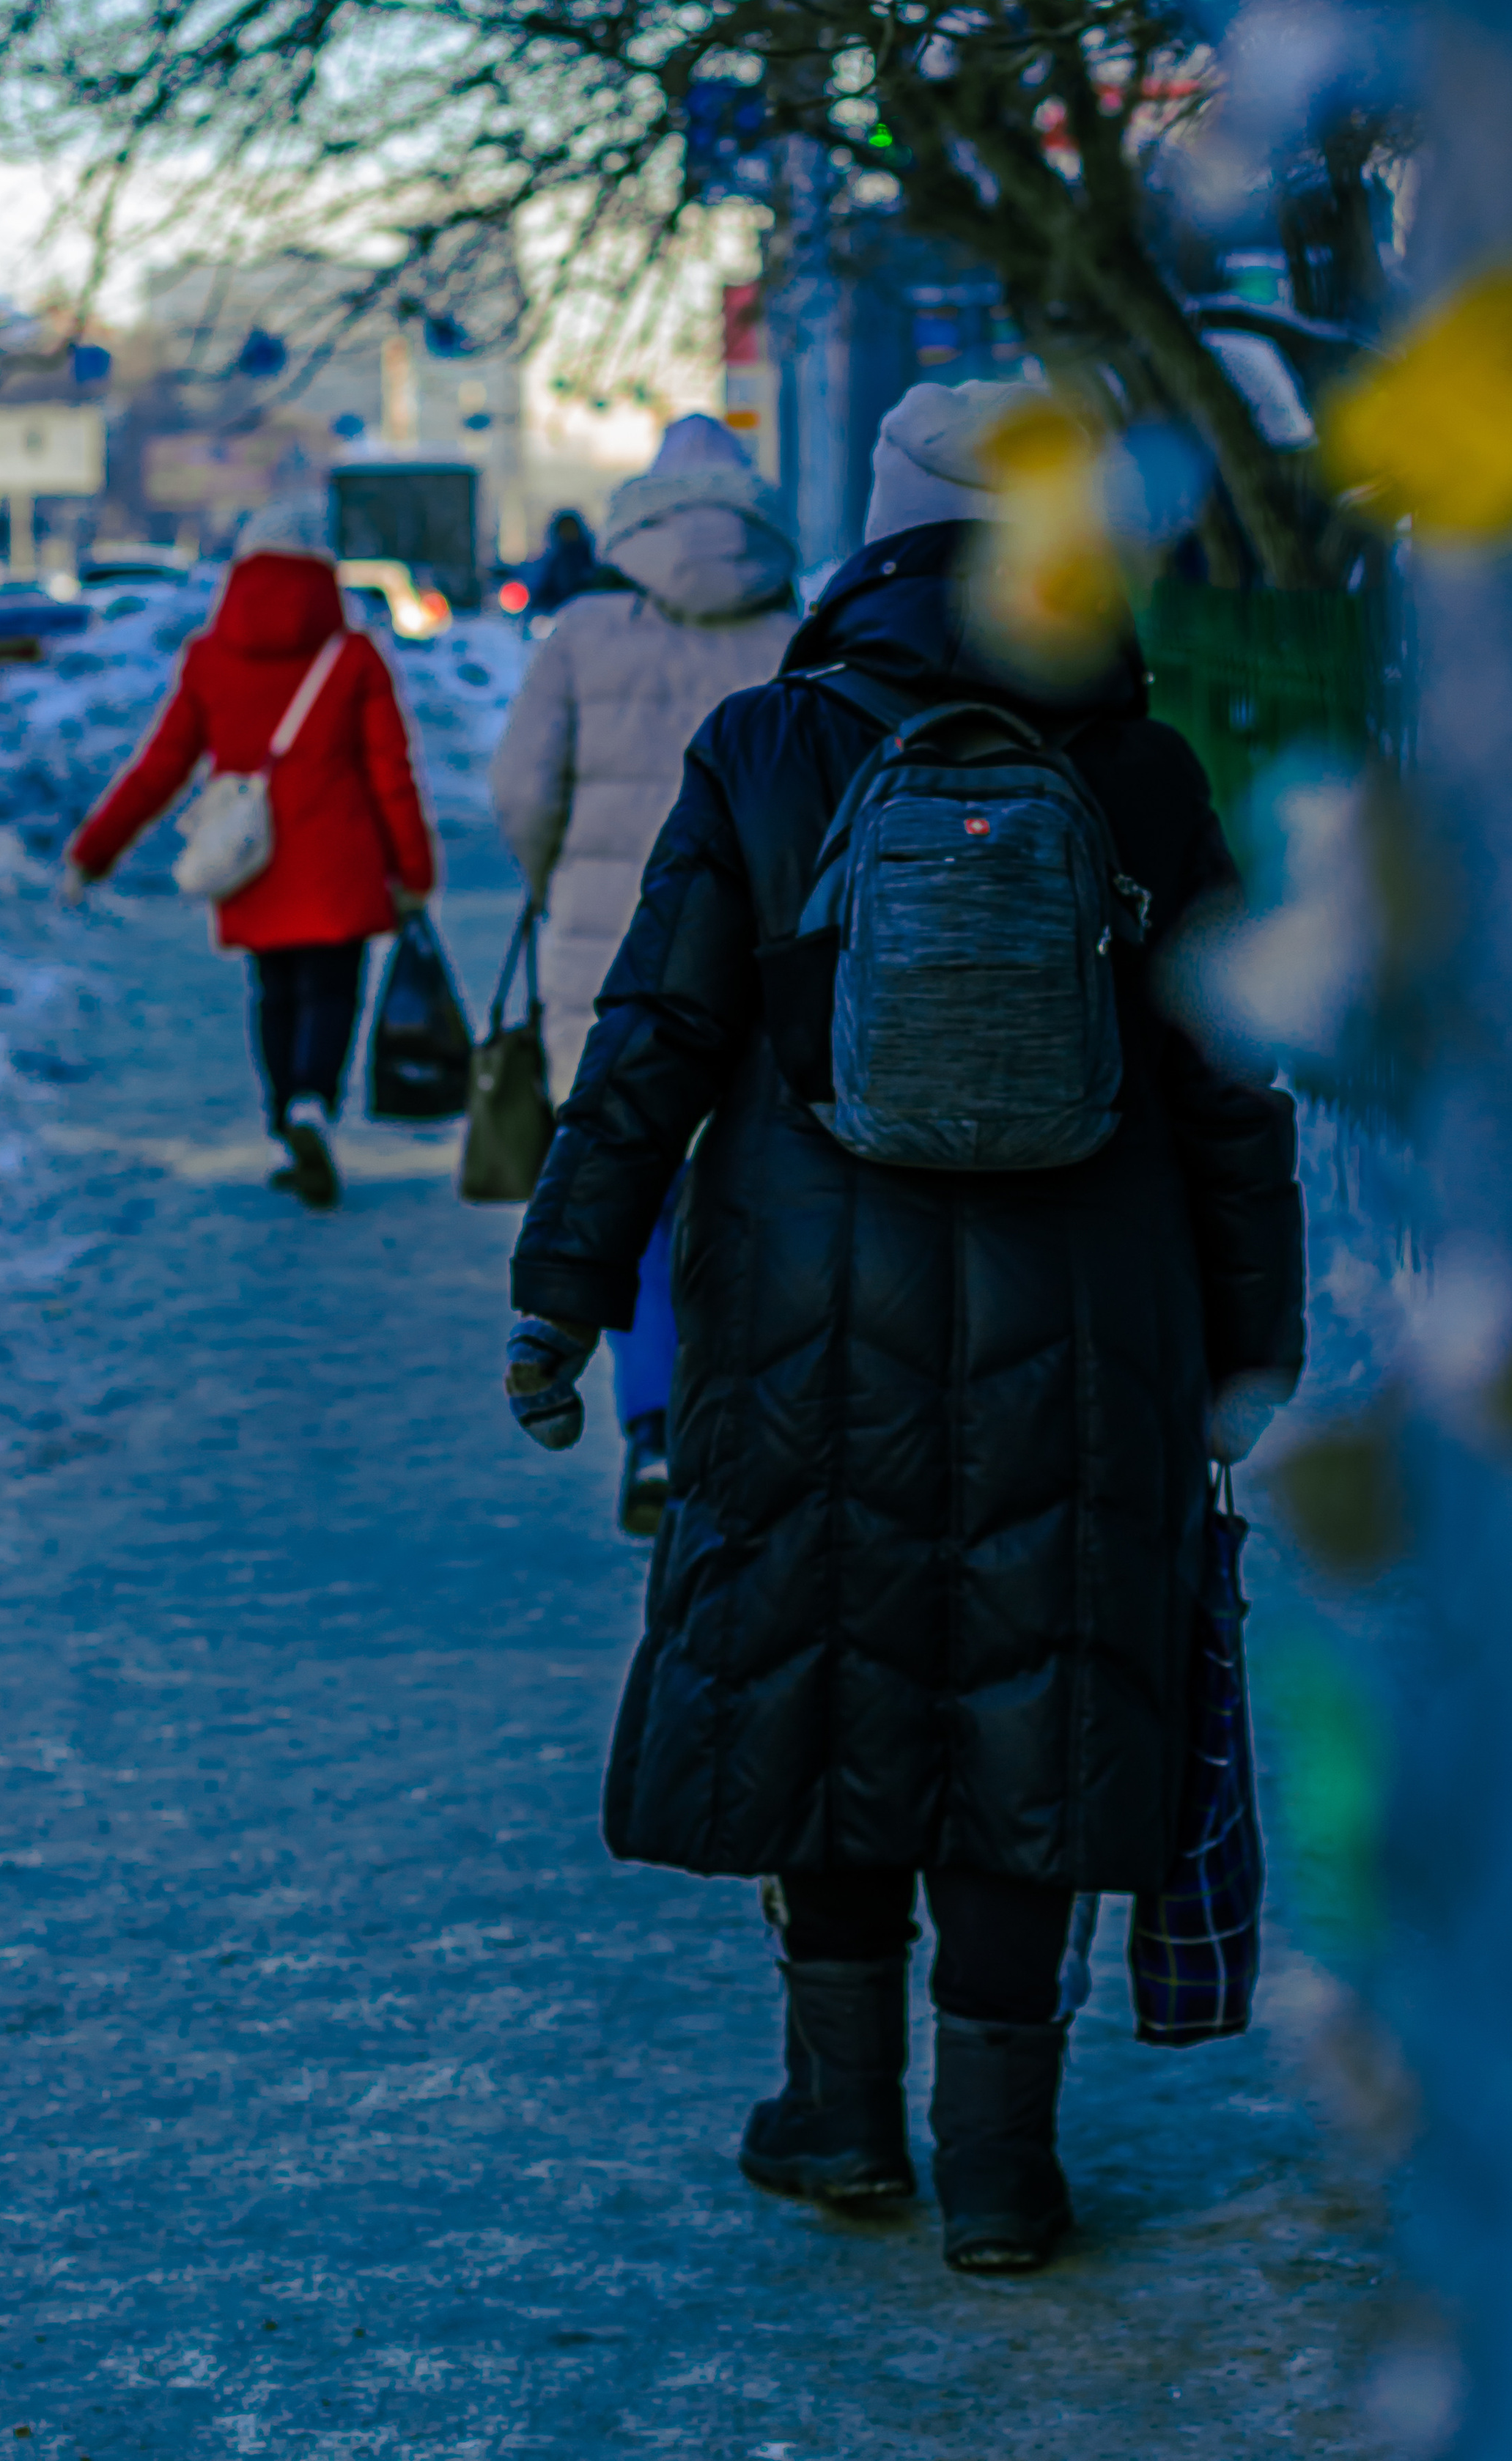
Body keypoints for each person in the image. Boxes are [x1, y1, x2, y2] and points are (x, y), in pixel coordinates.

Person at [499, 380, 1305, 2273]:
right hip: (1097, 1324)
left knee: (834, 1687)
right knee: (1030, 1707)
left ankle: (840, 2116)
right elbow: (1229, 1094)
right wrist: (1252, 1347)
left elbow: (650, 1053)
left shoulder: (769, 746)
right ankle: (1008, 2173)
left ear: (872, 527)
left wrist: (560, 1294)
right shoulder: (1144, 771)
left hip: (802, 1311)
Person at [490, 414, 797, 1531]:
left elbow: (524, 793)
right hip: (766, 961)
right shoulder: (801, 638)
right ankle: (758, 1435)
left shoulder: (582, 634)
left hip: (605, 953)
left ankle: (657, 1430)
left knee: (643, 1195)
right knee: (762, 1199)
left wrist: (558, 879)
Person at [63, 539, 437, 1209]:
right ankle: (312, 1104)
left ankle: (280, 1129)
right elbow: (391, 773)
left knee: (275, 993)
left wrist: (94, 852)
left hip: (250, 860)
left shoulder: (211, 658)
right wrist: (414, 867)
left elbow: (162, 765)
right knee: (332, 992)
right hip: (338, 862)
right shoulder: (352, 657)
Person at [521, 509, 600, 618]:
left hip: (590, 614)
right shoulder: (555, 561)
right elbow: (545, 590)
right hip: (562, 617)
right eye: (564, 529)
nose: (568, 532)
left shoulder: (593, 556)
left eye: (571, 528)